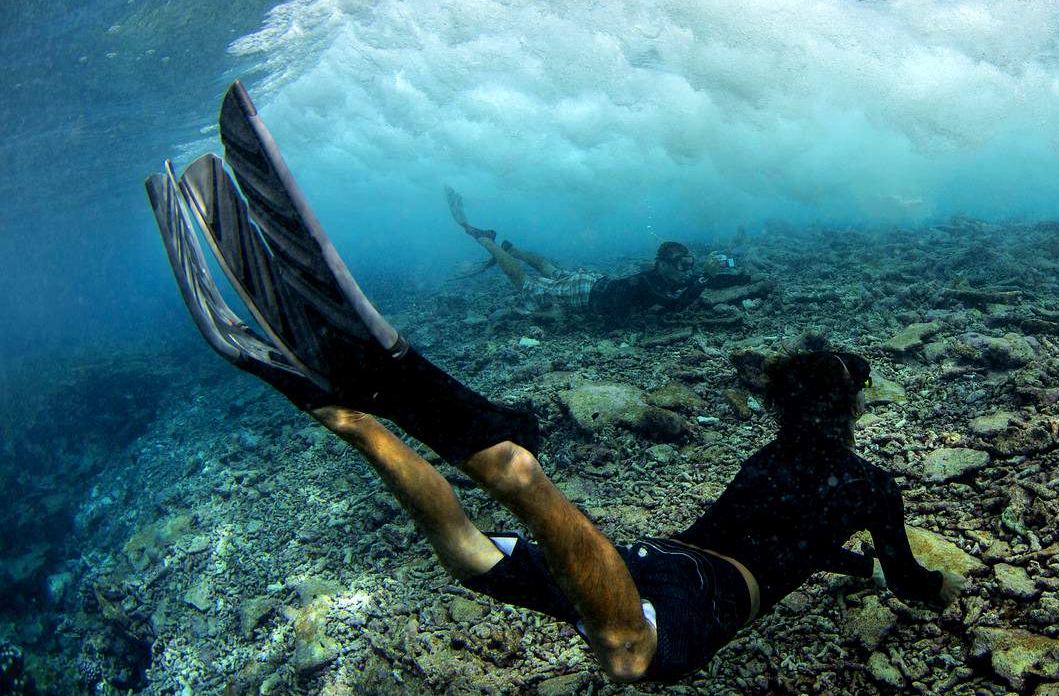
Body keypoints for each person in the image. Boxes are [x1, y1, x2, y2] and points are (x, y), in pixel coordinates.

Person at [144, 81, 961, 683]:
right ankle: (497, 462)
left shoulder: (772, 462)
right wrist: (930, 587)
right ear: (849, 411)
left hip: (651, 558)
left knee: (471, 559)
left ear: (781, 406)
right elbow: (906, 576)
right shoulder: (868, 485)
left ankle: (354, 420)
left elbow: (788, 525)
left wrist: (831, 560)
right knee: (625, 652)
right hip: (691, 588)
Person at [445, 187, 732, 324]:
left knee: (553, 271)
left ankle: (512, 250)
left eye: (689, 264)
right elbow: (676, 305)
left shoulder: (664, 277)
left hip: (595, 282)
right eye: (680, 264)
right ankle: (485, 239)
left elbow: (687, 288)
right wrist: (705, 275)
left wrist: (712, 273)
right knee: (528, 285)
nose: (686, 269)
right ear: (662, 265)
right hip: (586, 293)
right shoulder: (652, 282)